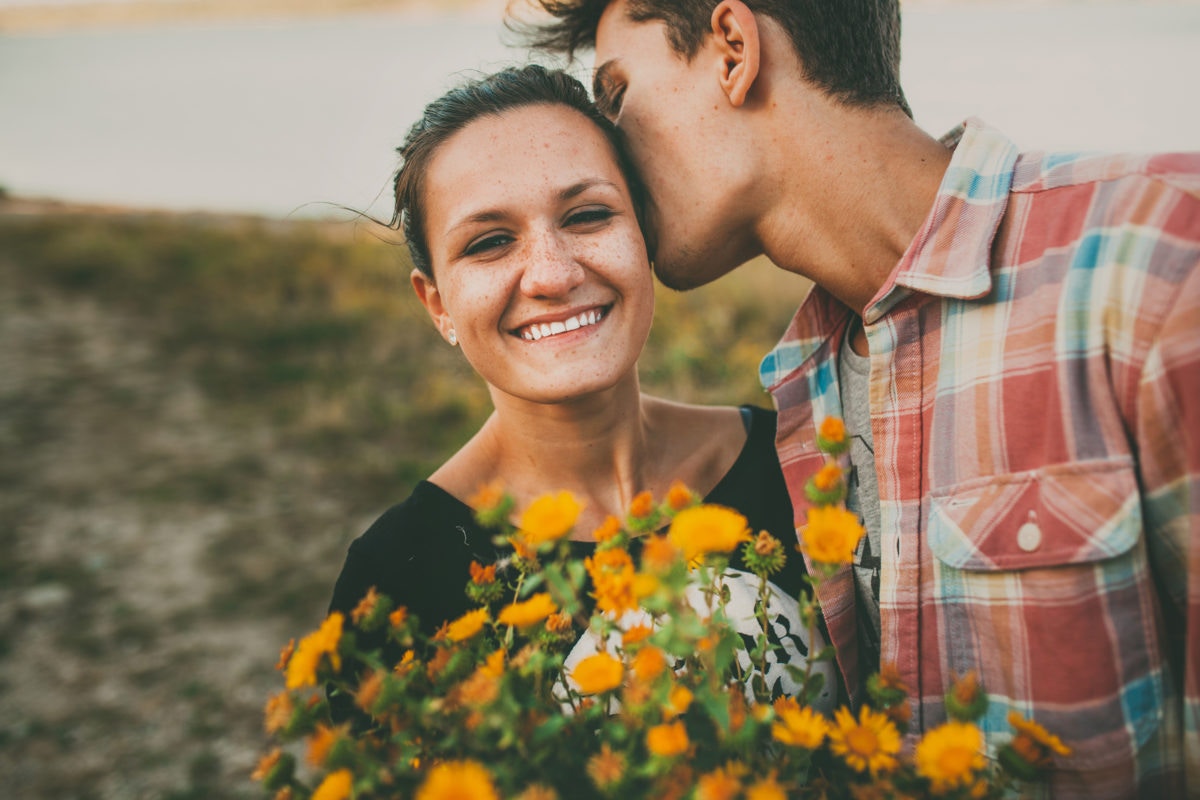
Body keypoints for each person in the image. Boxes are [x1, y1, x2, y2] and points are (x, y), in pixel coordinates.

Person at [513, 1, 1200, 797]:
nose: (609, 153)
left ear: (733, 50)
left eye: (617, 95)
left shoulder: (1158, 254)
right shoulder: (806, 388)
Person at [327, 64, 836, 723]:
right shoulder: (397, 578)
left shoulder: (797, 467)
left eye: (589, 215)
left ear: (646, 235)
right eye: (489, 242)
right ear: (438, 306)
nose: (553, 273)